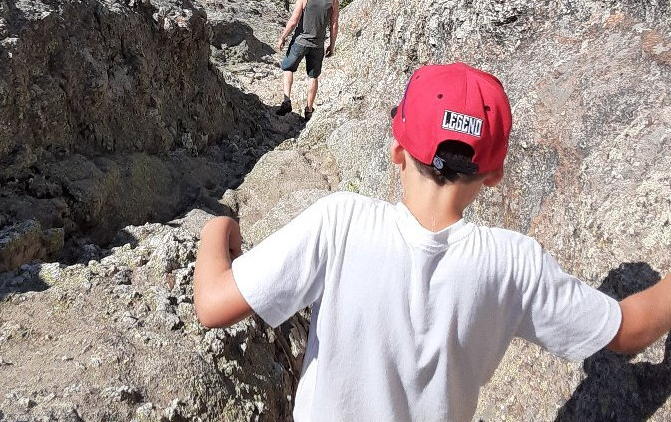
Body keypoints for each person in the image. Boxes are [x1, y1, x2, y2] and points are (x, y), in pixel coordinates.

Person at [193, 62, 671, 422]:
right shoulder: (513, 264)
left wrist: (219, 227)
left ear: (397, 149)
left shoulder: (340, 222)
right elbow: (630, 329)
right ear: (496, 174)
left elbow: (212, 305)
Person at [275, 0, 339, 120]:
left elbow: (294, 20)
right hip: (318, 45)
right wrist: (332, 45)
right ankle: (309, 109)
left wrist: (283, 37)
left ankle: (286, 100)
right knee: (313, 76)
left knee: (288, 68)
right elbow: (334, 25)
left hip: (300, 41)